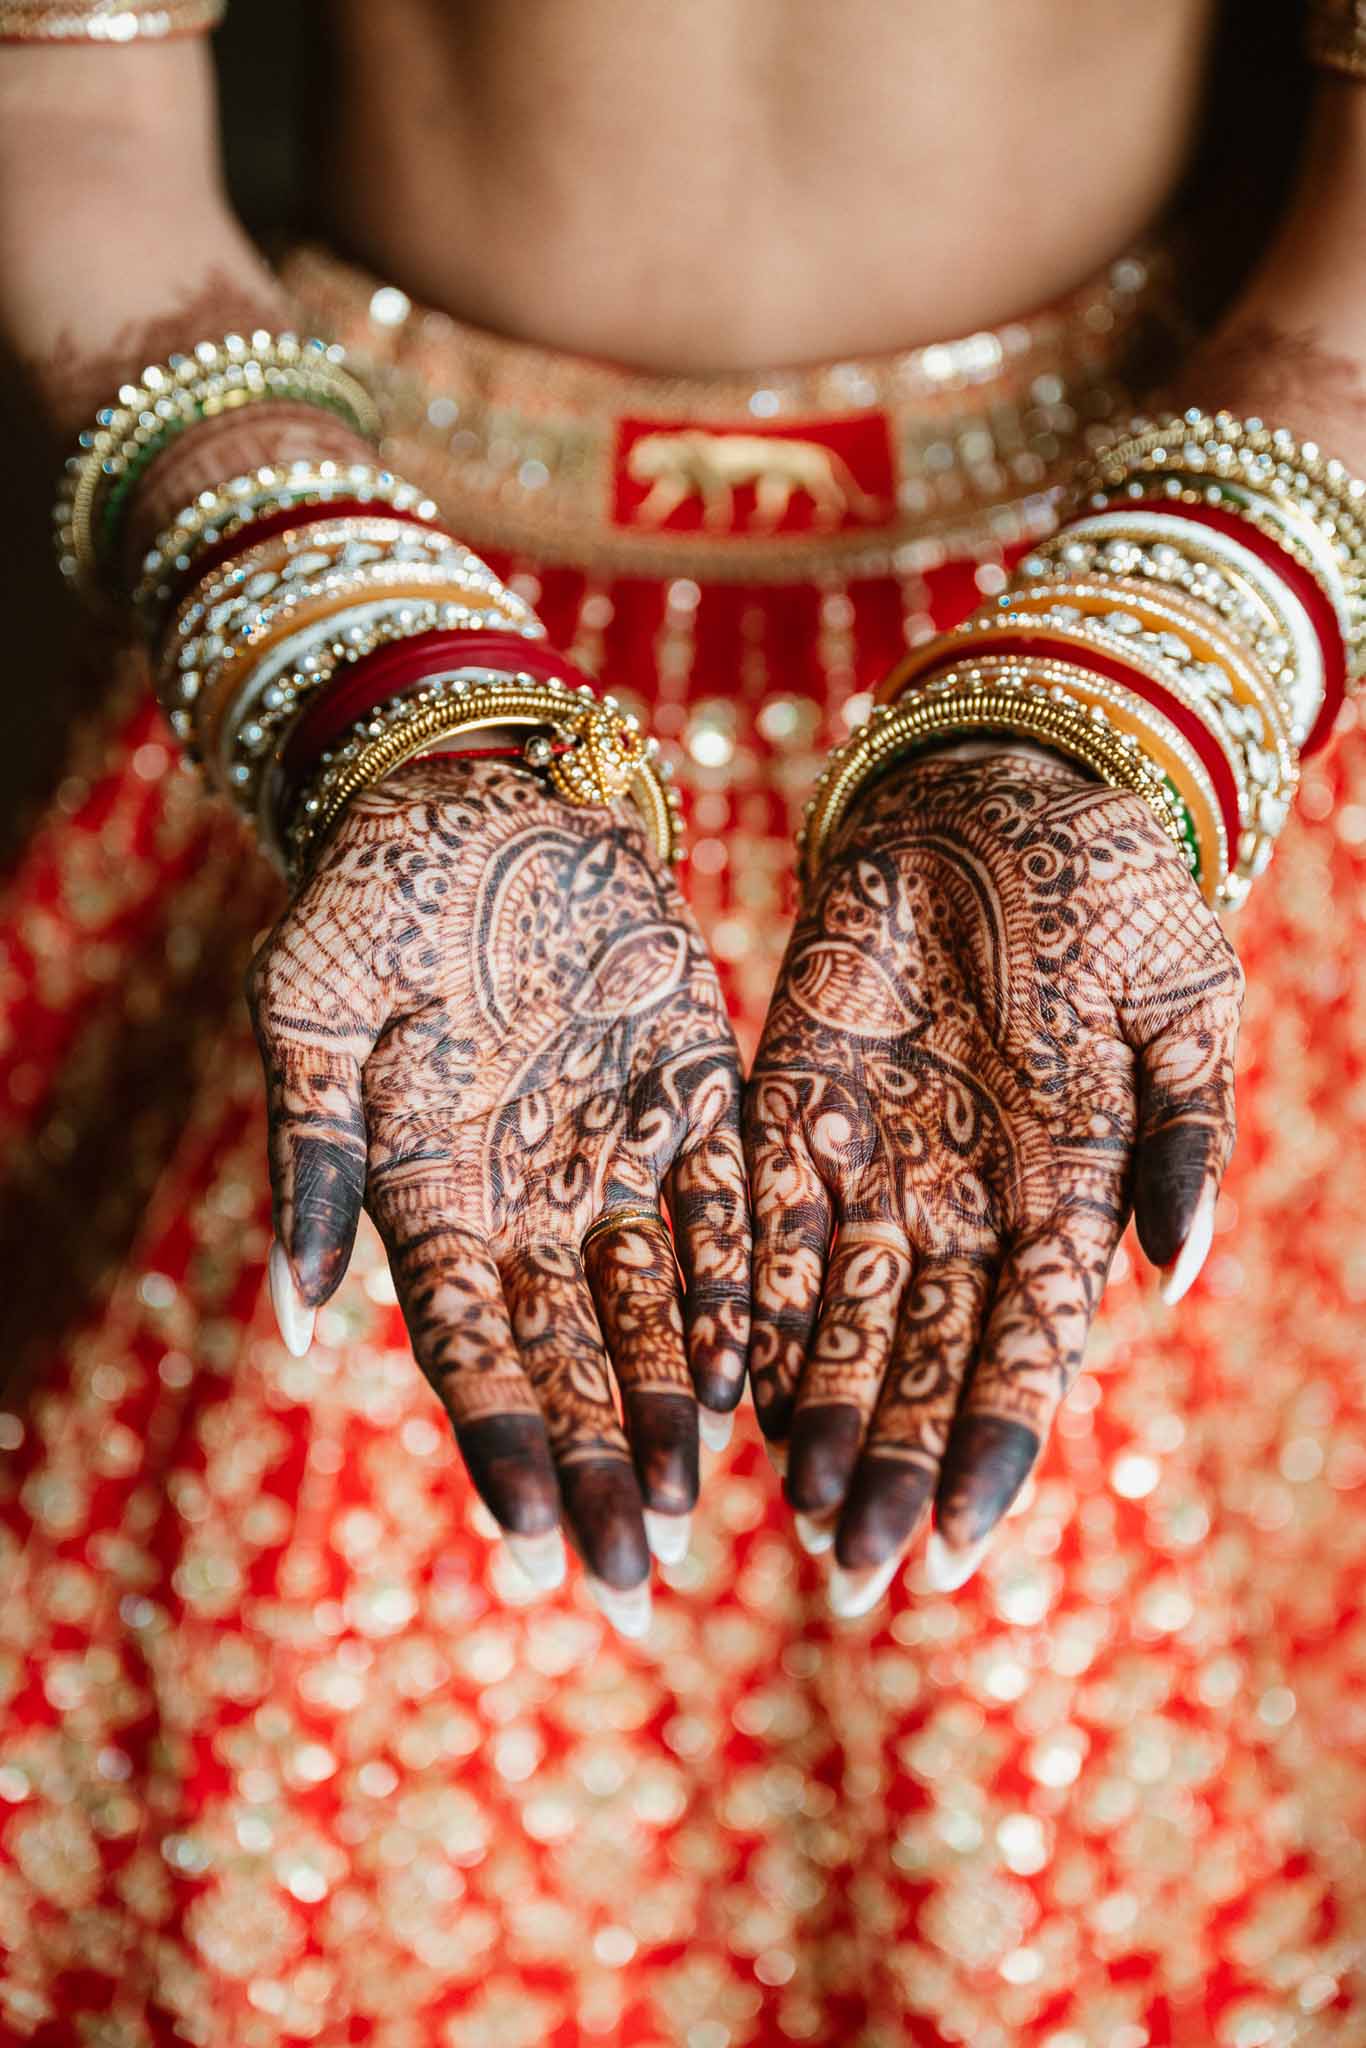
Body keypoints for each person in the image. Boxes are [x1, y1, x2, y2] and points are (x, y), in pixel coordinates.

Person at [1, 3, 1363, 2041]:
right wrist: (370, 692)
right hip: (376, 670)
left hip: (1137, 726)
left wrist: (1141, 691)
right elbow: (65, 96)